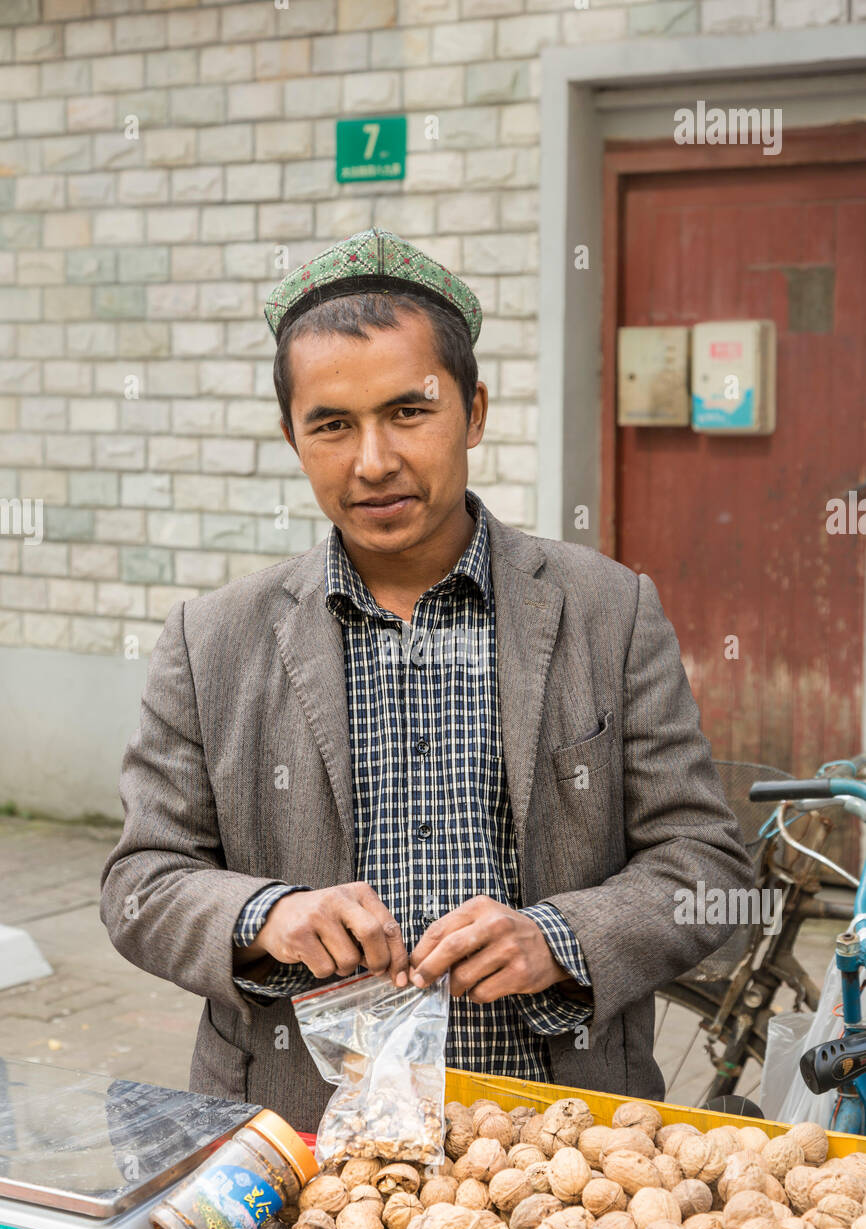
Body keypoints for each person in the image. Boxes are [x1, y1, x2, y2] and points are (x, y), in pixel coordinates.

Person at [100, 227, 754, 1132]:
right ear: (292, 435)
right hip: (298, 1141)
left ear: (474, 411)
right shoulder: (212, 640)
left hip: (560, 1151)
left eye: (410, 411)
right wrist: (265, 916)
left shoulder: (609, 610)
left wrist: (559, 938)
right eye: (332, 424)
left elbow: (706, 863)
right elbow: (142, 881)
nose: (373, 461)